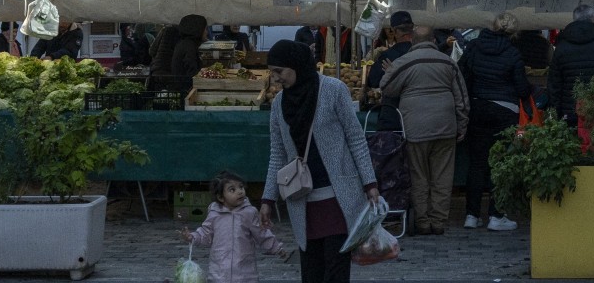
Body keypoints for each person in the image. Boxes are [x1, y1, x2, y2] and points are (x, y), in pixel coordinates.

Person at [258, 40, 381, 283]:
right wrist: (267, 199)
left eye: (279, 71)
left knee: (336, 271)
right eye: (272, 72)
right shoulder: (279, 104)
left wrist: (370, 183)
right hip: (302, 200)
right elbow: (277, 154)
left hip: (339, 198)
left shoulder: (333, 90)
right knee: (311, 271)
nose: (275, 78)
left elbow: (355, 138)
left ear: (295, 65)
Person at [380, 27, 470, 235]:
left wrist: (393, 73)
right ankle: (438, 222)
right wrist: (462, 123)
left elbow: (387, 87)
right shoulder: (448, 62)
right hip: (445, 126)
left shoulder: (405, 62)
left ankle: (423, 222)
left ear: (412, 41)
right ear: (433, 40)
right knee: (443, 177)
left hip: (415, 128)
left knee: (418, 176)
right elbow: (462, 98)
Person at [456, 12, 533, 232]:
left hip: (478, 108)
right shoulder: (513, 53)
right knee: (500, 162)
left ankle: (471, 215)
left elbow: (461, 76)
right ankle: (496, 215)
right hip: (505, 111)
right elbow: (522, 88)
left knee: (477, 163)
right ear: (513, 32)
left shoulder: (473, 47)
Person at [180, 171, 286, 283]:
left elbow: (261, 233)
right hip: (219, 273)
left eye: (241, 187)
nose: (240, 192)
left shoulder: (249, 213)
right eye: (232, 190)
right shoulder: (214, 214)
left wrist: (276, 248)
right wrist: (192, 237)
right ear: (221, 197)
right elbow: (205, 233)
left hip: (245, 273)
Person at [548, 5, 594, 124]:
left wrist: (556, 114)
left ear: (573, 20)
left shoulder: (561, 48)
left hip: (569, 113)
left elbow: (554, 85)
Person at [367, 12, 418, 133]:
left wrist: (391, 73)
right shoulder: (420, 54)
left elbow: (373, 81)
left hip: (393, 117)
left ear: (394, 31)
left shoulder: (388, 56)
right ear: (412, 29)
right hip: (417, 116)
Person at [151, 15, 208, 96]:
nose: (206, 32)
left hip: (176, 86)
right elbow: (192, 73)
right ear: (197, 29)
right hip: (182, 90)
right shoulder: (189, 46)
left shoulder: (184, 43)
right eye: (205, 29)